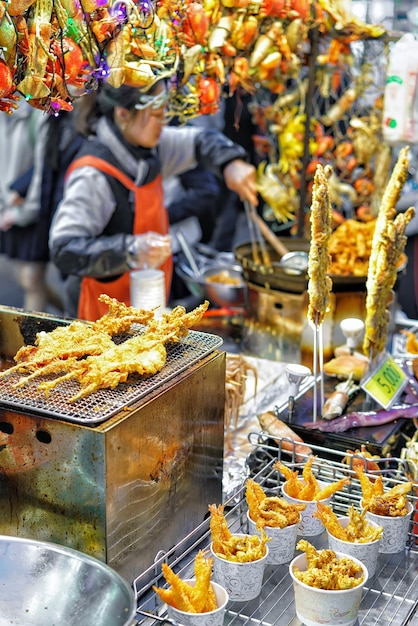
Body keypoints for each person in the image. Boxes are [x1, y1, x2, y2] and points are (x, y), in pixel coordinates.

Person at [49, 80, 258, 321]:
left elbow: (201, 141)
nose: (164, 123)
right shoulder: (93, 175)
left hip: (143, 307)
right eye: (157, 115)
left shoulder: (152, 147)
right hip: (97, 315)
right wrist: (131, 250)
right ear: (123, 114)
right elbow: (64, 248)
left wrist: (231, 163)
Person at [0, 100, 48, 312]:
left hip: (29, 210)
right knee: (25, 279)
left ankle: (33, 337)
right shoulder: (5, 109)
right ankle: (58, 308)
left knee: (30, 280)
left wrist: (23, 212)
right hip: (8, 208)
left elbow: (44, 170)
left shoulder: (40, 113)